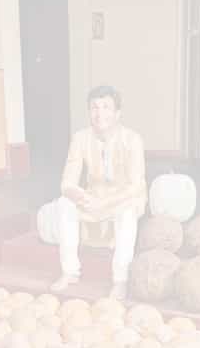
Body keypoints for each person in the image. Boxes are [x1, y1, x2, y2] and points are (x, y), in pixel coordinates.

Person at [51, 85, 147, 300]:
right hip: (94, 198)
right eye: (94, 107)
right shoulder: (80, 138)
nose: (99, 113)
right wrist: (77, 194)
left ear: (117, 113)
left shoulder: (132, 139)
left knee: (127, 212)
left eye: (106, 107)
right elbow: (67, 182)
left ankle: (120, 280)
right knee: (63, 204)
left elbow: (136, 186)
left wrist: (104, 204)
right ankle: (70, 272)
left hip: (124, 199)